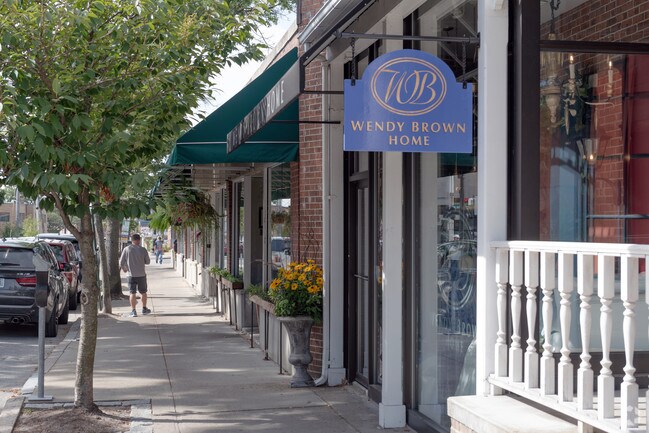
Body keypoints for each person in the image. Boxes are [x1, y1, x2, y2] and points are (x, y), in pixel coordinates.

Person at [119, 233, 151, 317]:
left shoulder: (126, 249)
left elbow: (121, 262)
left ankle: (133, 311)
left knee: (132, 293)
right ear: (139, 240)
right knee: (143, 292)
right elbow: (148, 262)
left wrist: (125, 269)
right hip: (141, 274)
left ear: (132, 240)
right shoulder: (143, 250)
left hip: (130, 275)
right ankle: (144, 309)